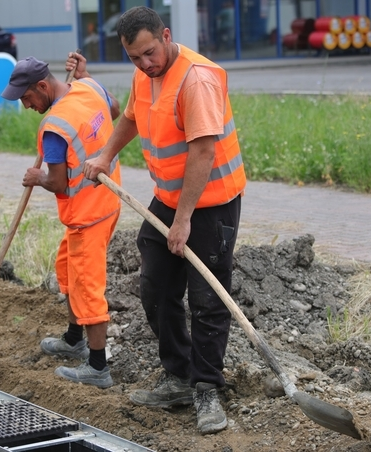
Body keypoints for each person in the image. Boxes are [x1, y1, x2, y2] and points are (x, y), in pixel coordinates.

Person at [79, 6, 246, 434]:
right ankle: (178, 376)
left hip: (210, 203)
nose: (145, 63)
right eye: (134, 57)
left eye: (150, 53)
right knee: (155, 286)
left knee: (207, 298)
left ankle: (206, 387)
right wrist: (105, 155)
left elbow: (203, 152)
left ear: (166, 36)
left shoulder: (196, 79)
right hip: (169, 198)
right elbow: (131, 118)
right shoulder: (145, 74)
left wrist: (184, 219)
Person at [1, 56, 121, 389]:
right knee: (67, 269)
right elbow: (113, 110)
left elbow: (58, 183)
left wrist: (36, 177)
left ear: (42, 86)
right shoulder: (88, 87)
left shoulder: (54, 128)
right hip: (105, 203)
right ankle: (73, 339)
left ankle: (97, 366)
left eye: (27, 98)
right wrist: (86, 75)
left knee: (86, 287)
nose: (26, 106)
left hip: (87, 216)